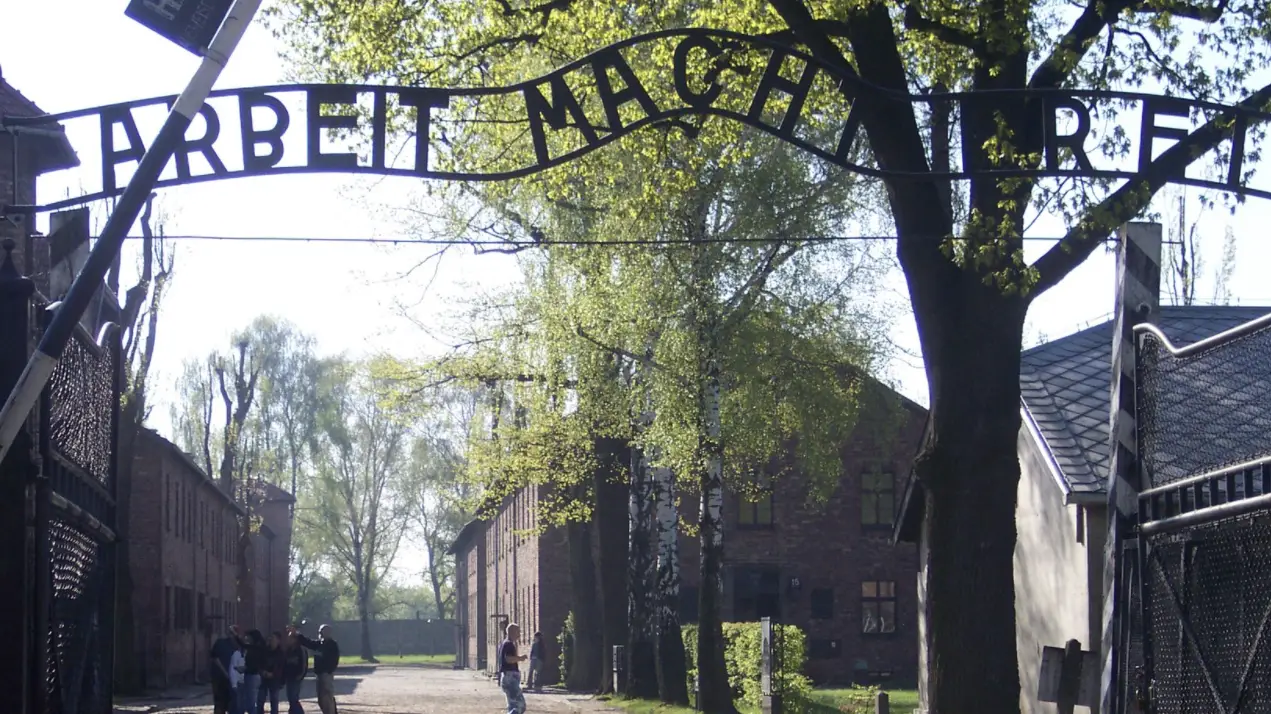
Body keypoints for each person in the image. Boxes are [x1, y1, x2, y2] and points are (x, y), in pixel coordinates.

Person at [288, 623, 340, 714]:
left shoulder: (332, 645)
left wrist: (328, 671)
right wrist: (296, 634)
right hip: (319, 674)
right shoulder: (319, 643)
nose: (320, 634)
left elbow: (334, 660)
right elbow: (307, 642)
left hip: (326, 674)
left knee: (327, 697)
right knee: (321, 699)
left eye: (322, 632)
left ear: (328, 632)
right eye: (320, 632)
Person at [231, 627, 267, 714]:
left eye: (248, 637)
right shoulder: (259, 647)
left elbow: (253, 664)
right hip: (254, 675)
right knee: (250, 702)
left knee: (250, 704)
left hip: (252, 676)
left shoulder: (255, 649)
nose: (247, 639)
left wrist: (244, 669)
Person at [499, 622, 528, 714]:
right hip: (510, 678)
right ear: (512, 632)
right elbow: (508, 659)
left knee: (512, 706)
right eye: (517, 631)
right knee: (520, 705)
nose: (519, 634)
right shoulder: (509, 644)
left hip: (507, 677)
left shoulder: (504, 643)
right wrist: (520, 658)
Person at [210, 626, 239, 714]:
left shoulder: (237, 646)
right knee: (220, 701)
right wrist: (225, 672)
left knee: (228, 701)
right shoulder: (221, 643)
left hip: (228, 678)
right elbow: (214, 658)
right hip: (219, 677)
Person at [257, 632, 286, 714]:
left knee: (274, 700)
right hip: (264, 679)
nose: (271, 640)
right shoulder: (265, 650)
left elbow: (282, 667)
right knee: (260, 699)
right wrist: (262, 671)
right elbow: (259, 663)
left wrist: (273, 674)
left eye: (273, 638)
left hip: (275, 680)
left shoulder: (281, 653)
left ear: (278, 641)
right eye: (270, 638)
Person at [282, 631, 310, 714]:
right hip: (289, 677)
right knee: (291, 697)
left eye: (290, 637)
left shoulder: (301, 649)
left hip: (296, 677)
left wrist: (301, 675)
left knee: (294, 698)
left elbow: (304, 664)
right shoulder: (288, 650)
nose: (288, 639)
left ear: (295, 639)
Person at [228, 643, 246, 714]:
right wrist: (234, 684)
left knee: (243, 703)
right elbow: (232, 669)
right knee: (238, 703)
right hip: (238, 682)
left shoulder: (247, 654)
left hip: (246, 682)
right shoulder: (236, 654)